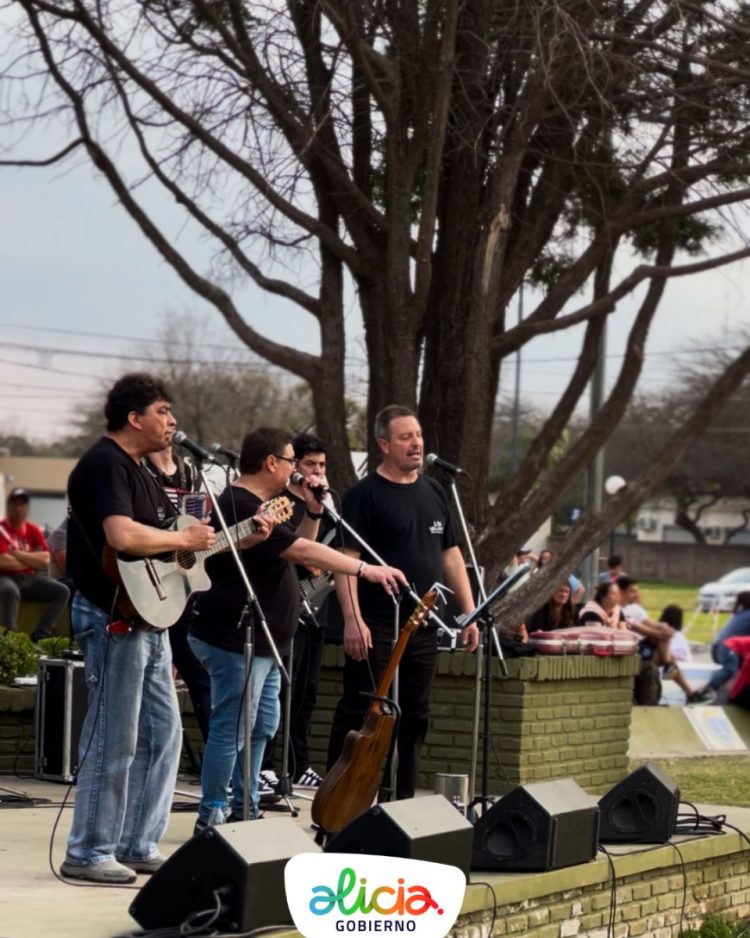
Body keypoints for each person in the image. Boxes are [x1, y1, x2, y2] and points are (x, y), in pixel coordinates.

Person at [60, 372, 241, 885]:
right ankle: (90, 850)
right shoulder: (104, 465)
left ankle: (137, 843)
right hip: (113, 616)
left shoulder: (143, 472)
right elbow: (121, 535)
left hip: (150, 617)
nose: (172, 420)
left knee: (164, 732)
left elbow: (168, 546)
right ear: (134, 417)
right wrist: (179, 535)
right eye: (162, 410)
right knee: (115, 735)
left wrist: (199, 542)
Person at [188, 427, 407, 829]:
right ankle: (212, 814)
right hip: (237, 637)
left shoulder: (268, 504)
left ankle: (246, 807)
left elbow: (299, 553)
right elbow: (303, 550)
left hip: (269, 639)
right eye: (291, 460)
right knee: (232, 728)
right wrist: (364, 568)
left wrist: (313, 510)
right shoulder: (237, 502)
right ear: (271, 462)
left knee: (263, 726)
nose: (296, 469)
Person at [326, 405, 480, 800]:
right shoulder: (364, 496)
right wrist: (352, 620)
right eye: (405, 437)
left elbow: (450, 556)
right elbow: (345, 563)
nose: (416, 444)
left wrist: (468, 614)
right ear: (383, 444)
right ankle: (340, 806)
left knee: (414, 718)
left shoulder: (434, 491)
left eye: (418, 435)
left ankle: (402, 807)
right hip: (376, 625)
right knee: (364, 717)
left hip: (423, 626)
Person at [261, 433, 332, 792]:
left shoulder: (325, 503)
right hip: (286, 605)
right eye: (309, 465)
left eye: (322, 465)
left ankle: (299, 762)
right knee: (278, 692)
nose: (317, 472)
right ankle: (268, 764)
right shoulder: (281, 504)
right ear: (294, 467)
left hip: (316, 608)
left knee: (307, 691)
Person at [143, 444, 212, 742]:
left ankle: (214, 752)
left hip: (182, 589)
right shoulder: (138, 470)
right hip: (147, 584)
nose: (169, 426)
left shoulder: (192, 473)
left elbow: (194, 531)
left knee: (197, 674)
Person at [0, 488, 69, 640]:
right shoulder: (2, 529)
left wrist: (16, 554)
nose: (18, 508)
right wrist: (31, 559)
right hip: (4, 577)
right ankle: (7, 640)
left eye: (22, 505)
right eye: (15, 504)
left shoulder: (32, 530)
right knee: (9, 591)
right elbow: (3, 561)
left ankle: (39, 637)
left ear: (27, 508)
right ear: (9, 506)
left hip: (28, 578)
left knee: (62, 591)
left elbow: (44, 559)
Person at [618, 576, 693, 701]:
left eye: (637, 591)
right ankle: (689, 692)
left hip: (642, 647)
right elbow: (637, 628)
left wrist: (665, 627)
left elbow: (650, 623)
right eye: (632, 591)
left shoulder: (634, 608)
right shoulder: (618, 609)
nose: (636, 595)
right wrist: (659, 634)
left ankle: (685, 687)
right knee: (663, 647)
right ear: (622, 591)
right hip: (631, 650)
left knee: (663, 640)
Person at [689, 592, 750, 704]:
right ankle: (706, 690)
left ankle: (727, 689)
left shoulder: (740, 614)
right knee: (731, 668)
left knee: (740, 669)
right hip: (725, 647)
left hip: (719, 648)